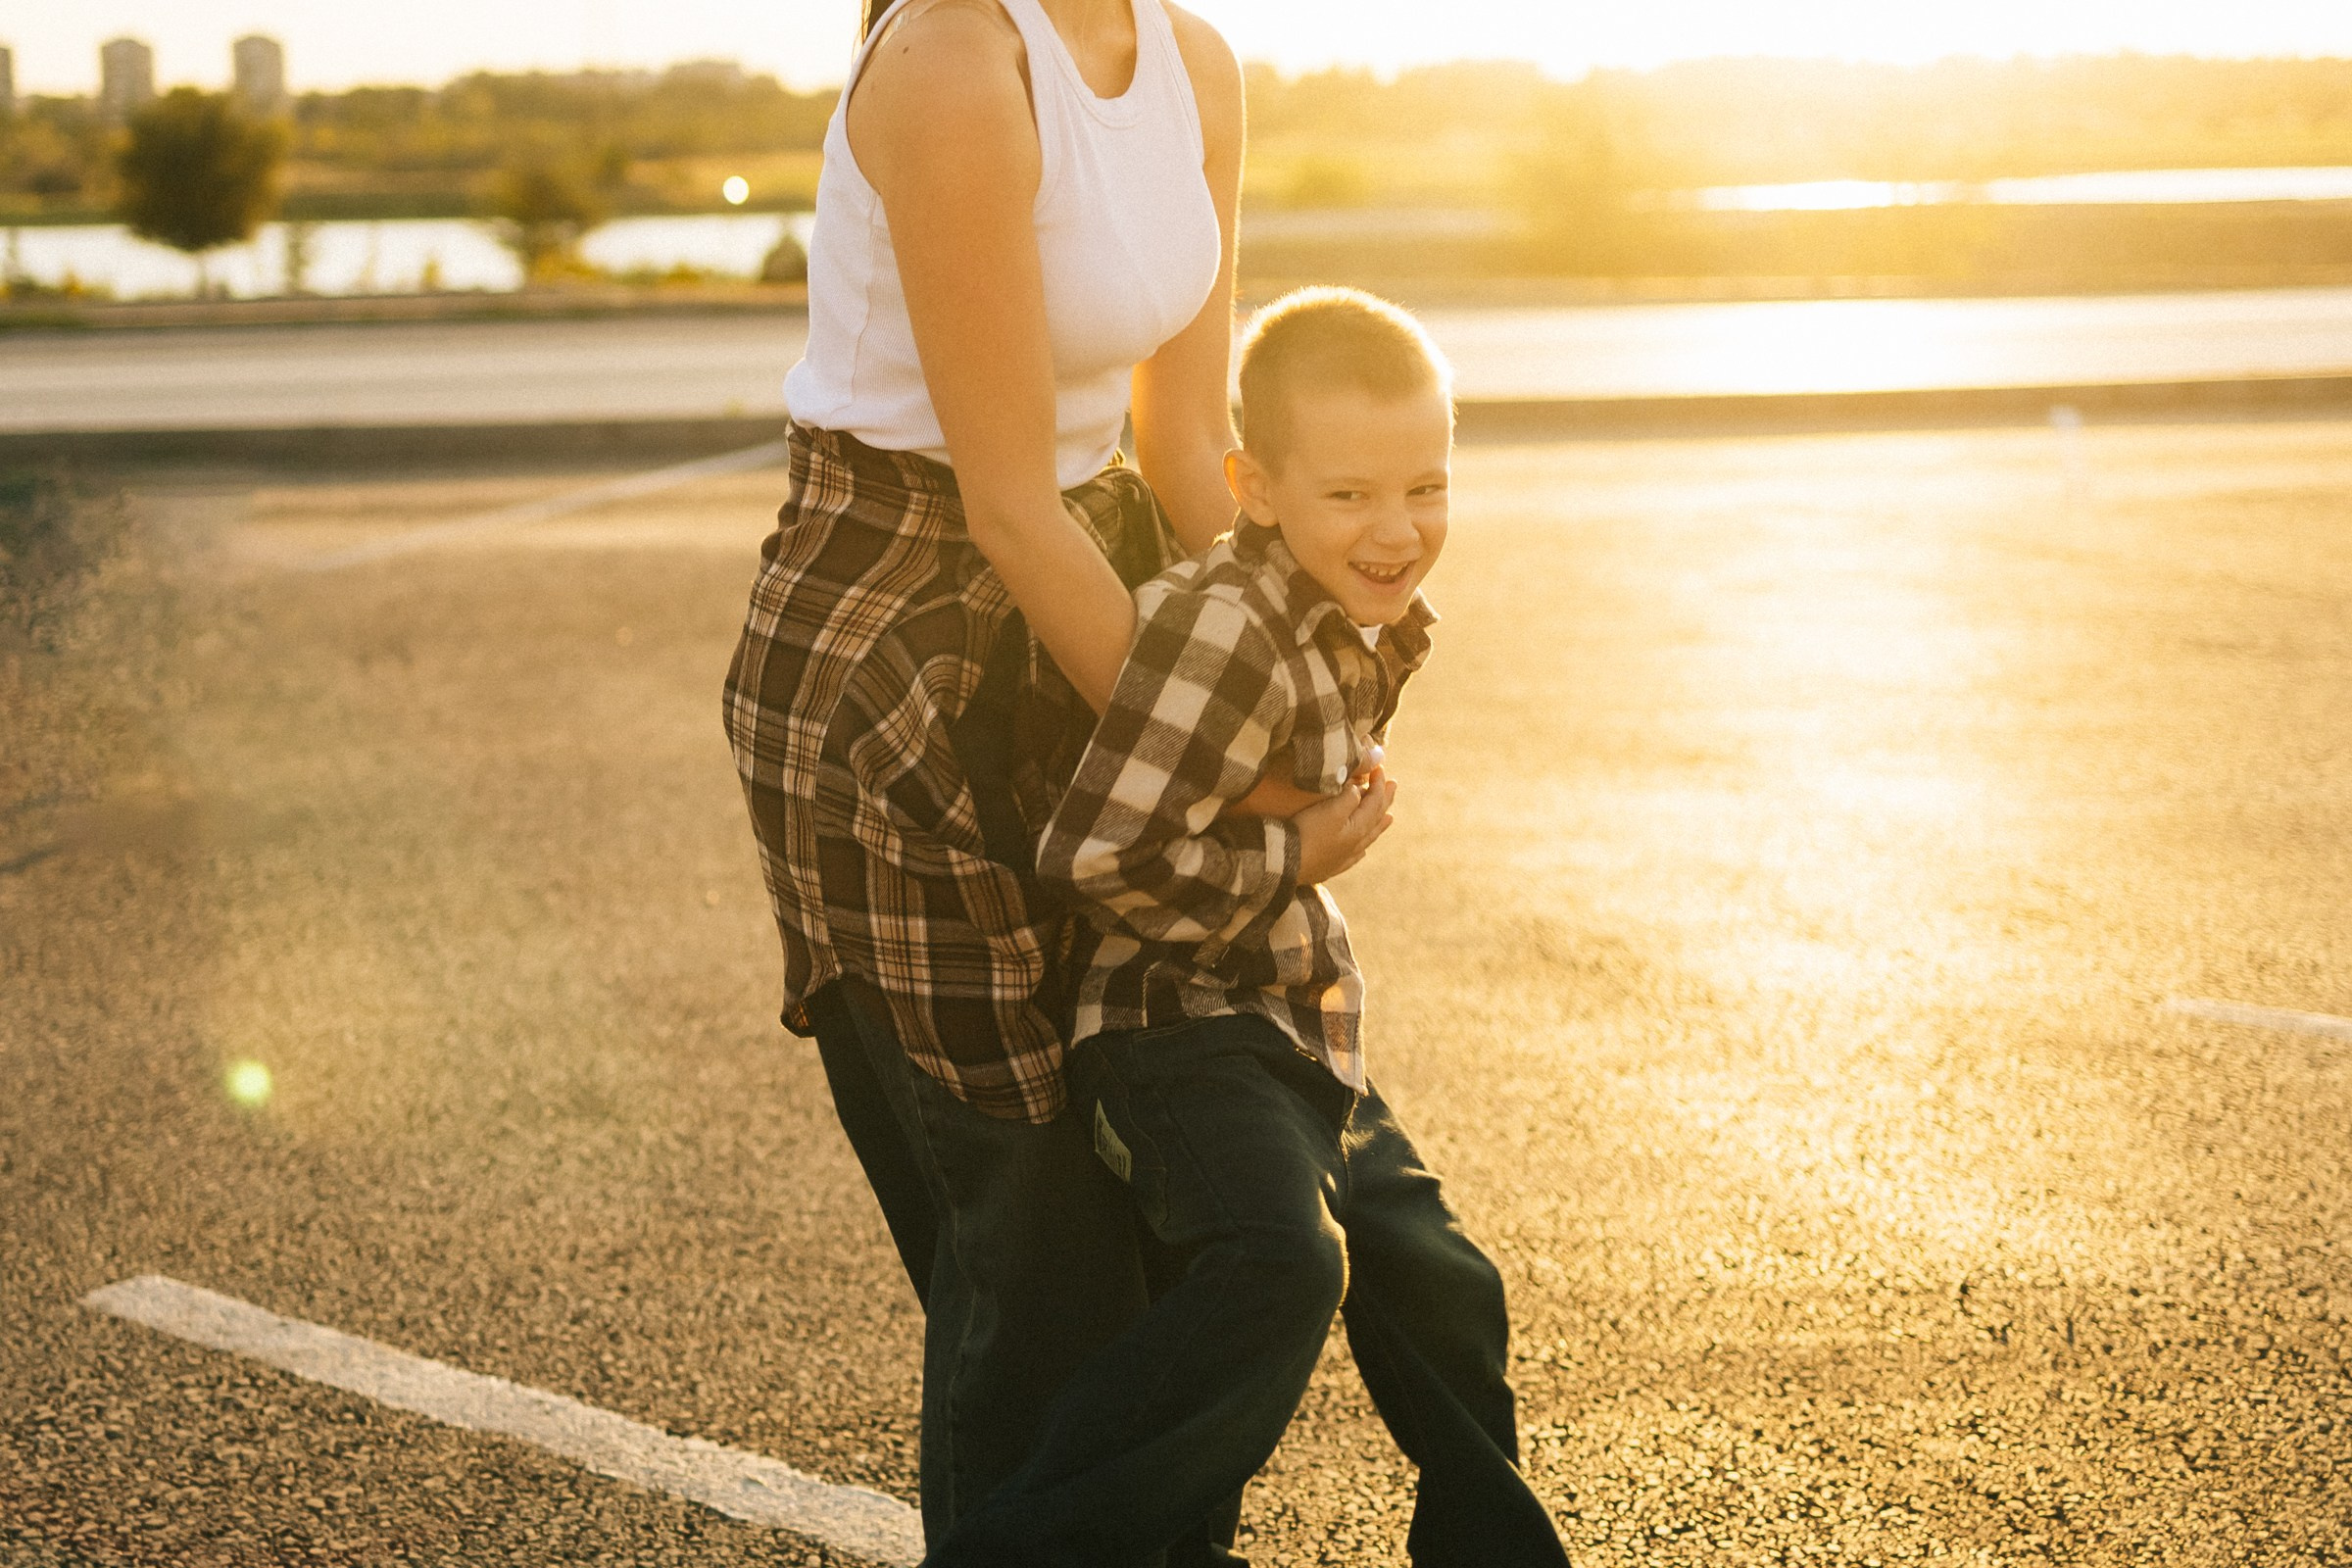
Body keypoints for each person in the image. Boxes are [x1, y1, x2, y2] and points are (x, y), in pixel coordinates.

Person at [719, 0, 1385, 1550]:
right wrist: (1224, 773)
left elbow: (1178, 441)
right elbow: (1010, 507)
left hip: (1101, 610)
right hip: (892, 650)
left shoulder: (1200, 65)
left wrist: (1302, 679)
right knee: (1029, 1242)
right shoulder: (957, 61)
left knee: (1171, 1219)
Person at [923, 289, 1571, 1566]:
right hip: (1177, 1031)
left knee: (1443, 1283)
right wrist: (1296, 852)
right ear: (1255, 488)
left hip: (1294, 1019)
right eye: (1350, 496)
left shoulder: (1353, 611)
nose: (1397, 531)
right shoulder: (1227, 628)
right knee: (1281, 1265)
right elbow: (1095, 853)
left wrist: (1289, 834)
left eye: (1425, 488)